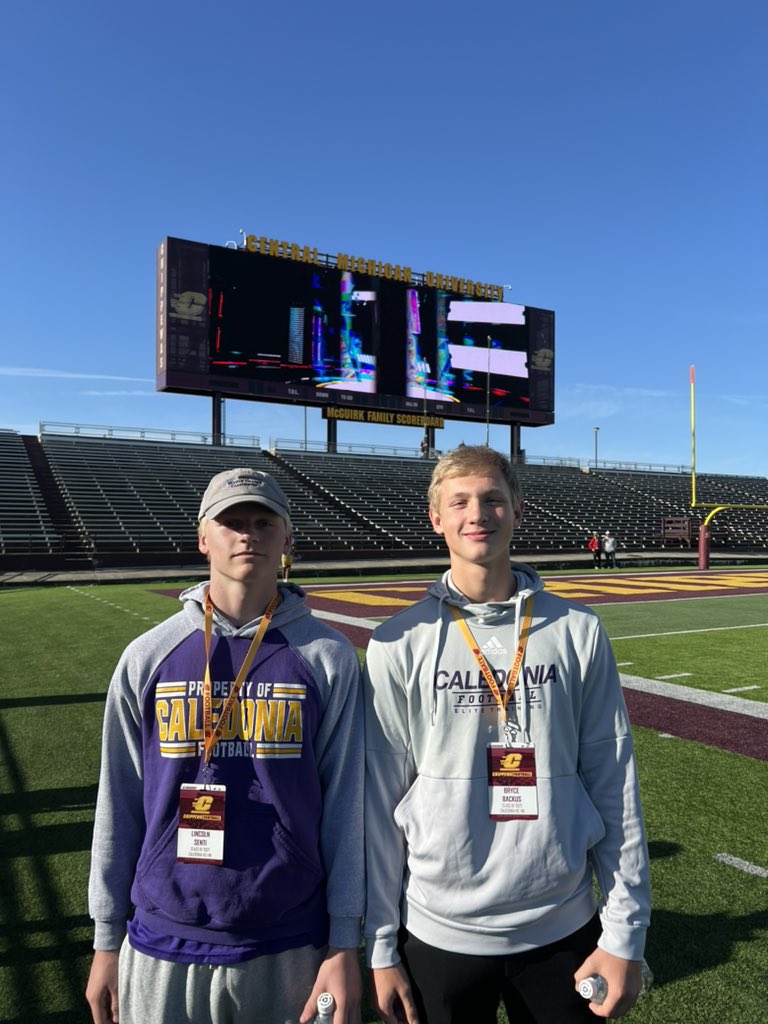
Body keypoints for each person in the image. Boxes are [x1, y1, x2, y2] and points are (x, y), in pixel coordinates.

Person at [363, 445, 650, 1024]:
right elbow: (376, 802)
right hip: (437, 929)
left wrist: (625, 932)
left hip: (562, 925)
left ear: (518, 509)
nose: (479, 514)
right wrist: (379, 943)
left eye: (494, 499)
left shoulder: (577, 630)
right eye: (460, 501)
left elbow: (613, 779)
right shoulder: (397, 641)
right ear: (436, 518)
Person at [86, 467, 364, 1024]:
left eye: (264, 521)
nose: (248, 534)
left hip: (289, 940)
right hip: (161, 937)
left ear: (287, 539)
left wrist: (343, 943)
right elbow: (118, 800)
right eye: (232, 521)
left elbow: (346, 809)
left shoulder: (327, 657)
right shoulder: (149, 656)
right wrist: (106, 939)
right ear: (203, 536)